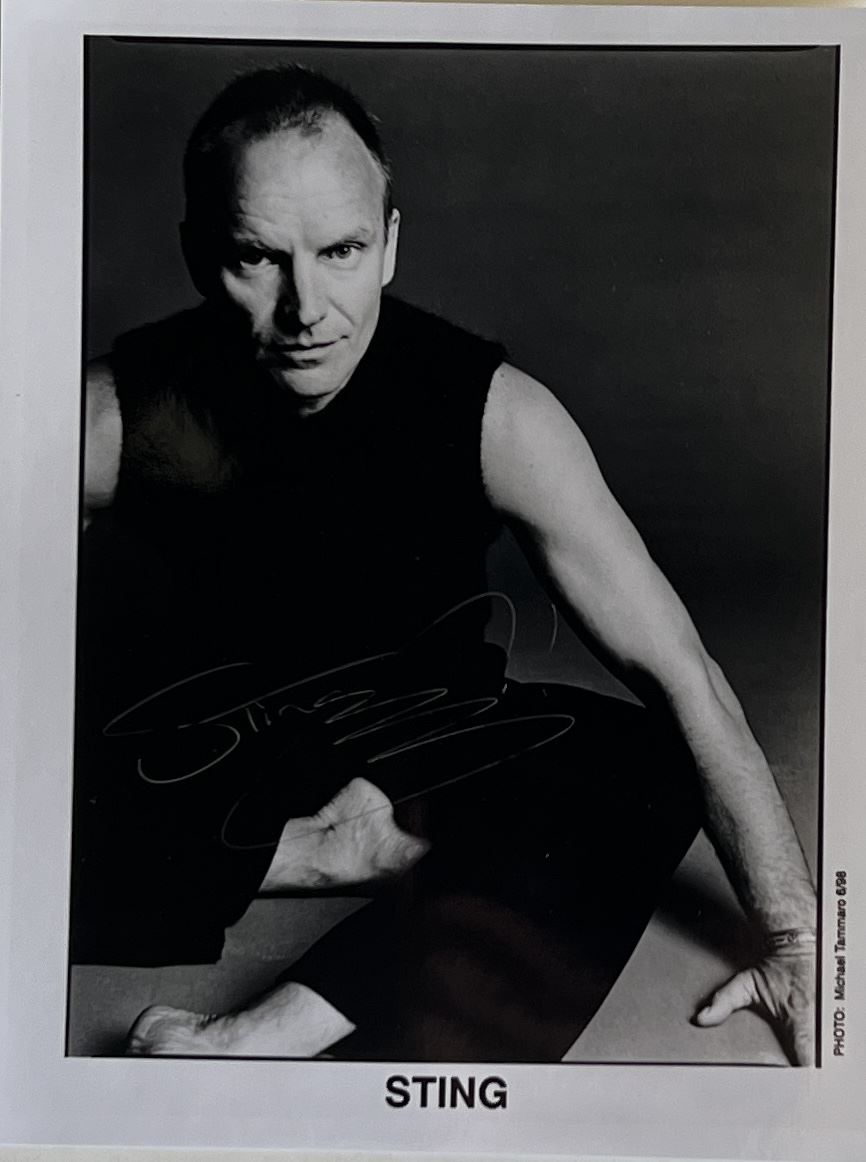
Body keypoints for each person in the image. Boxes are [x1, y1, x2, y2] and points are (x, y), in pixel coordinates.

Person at [74, 64, 817, 1064]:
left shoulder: (496, 415)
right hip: (194, 763)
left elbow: (683, 674)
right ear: (201, 257)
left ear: (388, 245)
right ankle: (303, 854)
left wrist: (795, 940)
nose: (306, 307)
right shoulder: (110, 417)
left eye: (340, 251)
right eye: (258, 258)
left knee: (651, 759)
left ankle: (268, 1028)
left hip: (417, 749)